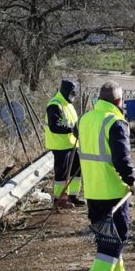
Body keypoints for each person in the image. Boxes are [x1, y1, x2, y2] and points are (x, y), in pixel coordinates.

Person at [77, 81, 135, 271]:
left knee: (108, 235)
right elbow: (122, 158)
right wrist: (131, 180)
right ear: (119, 101)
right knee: (116, 236)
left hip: (92, 189)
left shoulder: (85, 119)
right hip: (112, 190)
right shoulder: (115, 122)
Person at [43, 78, 83, 210]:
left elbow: (73, 122)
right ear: (66, 91)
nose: (74, 95)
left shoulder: (68, 104)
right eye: (72, 93)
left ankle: (73, 196)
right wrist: (71, 129)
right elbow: (54, 127)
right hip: (60, 146)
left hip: (72, 144)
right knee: (62, 174)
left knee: (76, 171)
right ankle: (60, 200)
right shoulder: (55, 105)